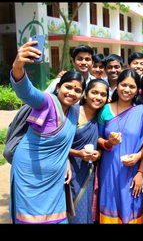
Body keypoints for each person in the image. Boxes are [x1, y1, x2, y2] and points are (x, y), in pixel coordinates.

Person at [9, 39, 86, 224]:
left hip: (54, 181)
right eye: (68, 87)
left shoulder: (75, 111)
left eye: (78, 90)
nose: (72, 93)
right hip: (29, 177)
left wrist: (65, 159)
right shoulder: (47, 102)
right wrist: (18, 65)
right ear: (59, 87)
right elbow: (26, 91)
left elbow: (64, 142)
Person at [97, 69, 143, 223]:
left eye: (132, 86)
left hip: (134, 171)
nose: (127, 90)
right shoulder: (105, 109)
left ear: (137, 90)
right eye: (123, 85)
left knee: (131, 205)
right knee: (109, 204)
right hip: (109, 170)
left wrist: (141, 170)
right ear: (117, 85)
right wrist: (108, 142)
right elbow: (98, 138)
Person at [68, 79, 109, 224]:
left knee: (85, 210)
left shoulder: (102, 117)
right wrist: (77, 153)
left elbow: (102, 142)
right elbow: (57, 145)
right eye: (94, 92)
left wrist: (99, 153)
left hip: (88, 172)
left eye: (103, 94)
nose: (98, 97)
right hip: (68, 171)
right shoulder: (72, 112)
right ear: (86, 94)